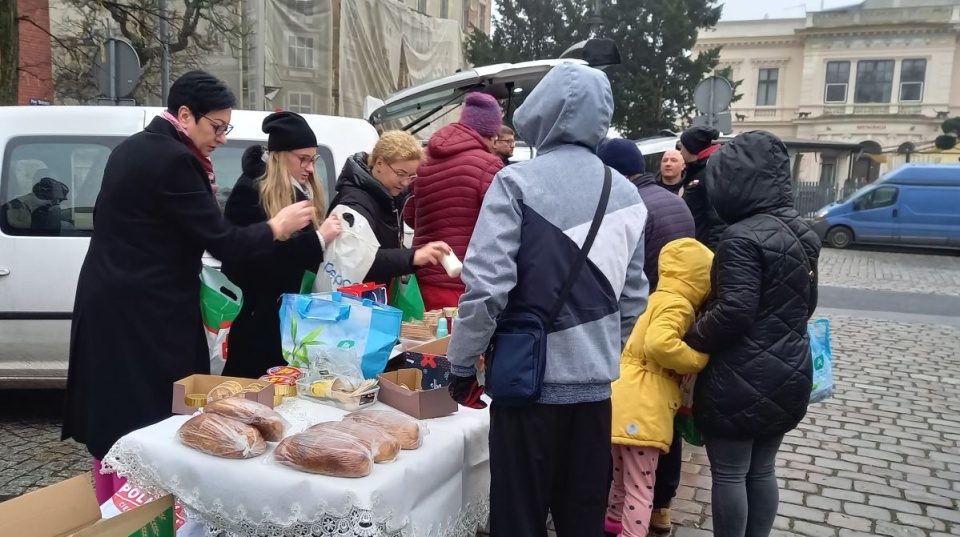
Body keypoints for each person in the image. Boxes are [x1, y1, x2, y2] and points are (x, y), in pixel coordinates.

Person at [61, 71, 316, 504]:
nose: (221, 138)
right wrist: (277, 226)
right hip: (145, 311)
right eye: (216, 127)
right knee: (147, 416)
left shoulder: (132, 148)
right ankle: (139, 511)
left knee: (111, 412)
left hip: (110, 302)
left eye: (225, 127)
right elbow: (222, 239)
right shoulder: (174, 161)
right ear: (184, 115)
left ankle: (110, 501)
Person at [446, 62, 649, 537]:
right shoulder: (628, 195)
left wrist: (461, 364)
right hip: (595, 394)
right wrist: (598, 351)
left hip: (527, 389)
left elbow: (486, 288)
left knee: (518, 520)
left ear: (543, 112)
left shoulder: (516, 183)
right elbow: (635, 299)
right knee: (582, 520)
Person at [685, 130, 821, 537]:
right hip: (791, 367)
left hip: (738, 374)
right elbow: (807, 303)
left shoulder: (740, 237)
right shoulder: (803, 231)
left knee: (729, 473)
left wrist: (691, 338)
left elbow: (735, 311)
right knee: (762, 469)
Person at [597, 138, 695, 534]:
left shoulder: (632, 205)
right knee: (662, 438)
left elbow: (625, 274)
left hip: (644, 325)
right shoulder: (676, 202)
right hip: (668, 324)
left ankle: (623, 518)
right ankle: (662, 508)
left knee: (629, 455)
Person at [220, 111, 342, 379]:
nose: (310, 168)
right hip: (257, 326)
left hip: (288, 323)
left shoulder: (298, 190)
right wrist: (318, 240)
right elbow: (246, 263)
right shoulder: (250, 191)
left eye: (313, 159)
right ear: (279, 155)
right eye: (303, 159)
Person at [607, 238, 713, 537]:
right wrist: (697, 359)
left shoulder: (653, 297)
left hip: (621, 397)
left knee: (620, 479)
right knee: (641, 487)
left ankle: (612, 525)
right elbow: (659, 343)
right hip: (645, 407)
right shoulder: (679, 305)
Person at [404, 93, 504, 311]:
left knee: (424, 343)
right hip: (463, 284)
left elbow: (411, 216)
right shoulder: (489, 166)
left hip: (422, 279)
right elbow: (503, 229)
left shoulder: (424, 160)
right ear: (490, 133)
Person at [329, 130, 450, 287]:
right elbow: (358, 260)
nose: (405, 182)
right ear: (379, 163)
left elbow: (384, 246)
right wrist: (413, 256)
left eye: (411, 176)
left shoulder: (388, 196)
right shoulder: (356, 202)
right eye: (400, 174)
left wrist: (419, 254)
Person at [598, 139, 694, 291]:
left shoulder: (630, 208)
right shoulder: (678, 201)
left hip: (646, 301)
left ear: (616, 173)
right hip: (679, 296)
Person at [677, 126, 726, 250]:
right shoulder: (696, 170)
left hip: (704, 250)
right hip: (695, 247)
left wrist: (713, 256)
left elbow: (717, 220)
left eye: (683, 147)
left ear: (692, 148)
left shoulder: (709, 172)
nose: (680, 151)